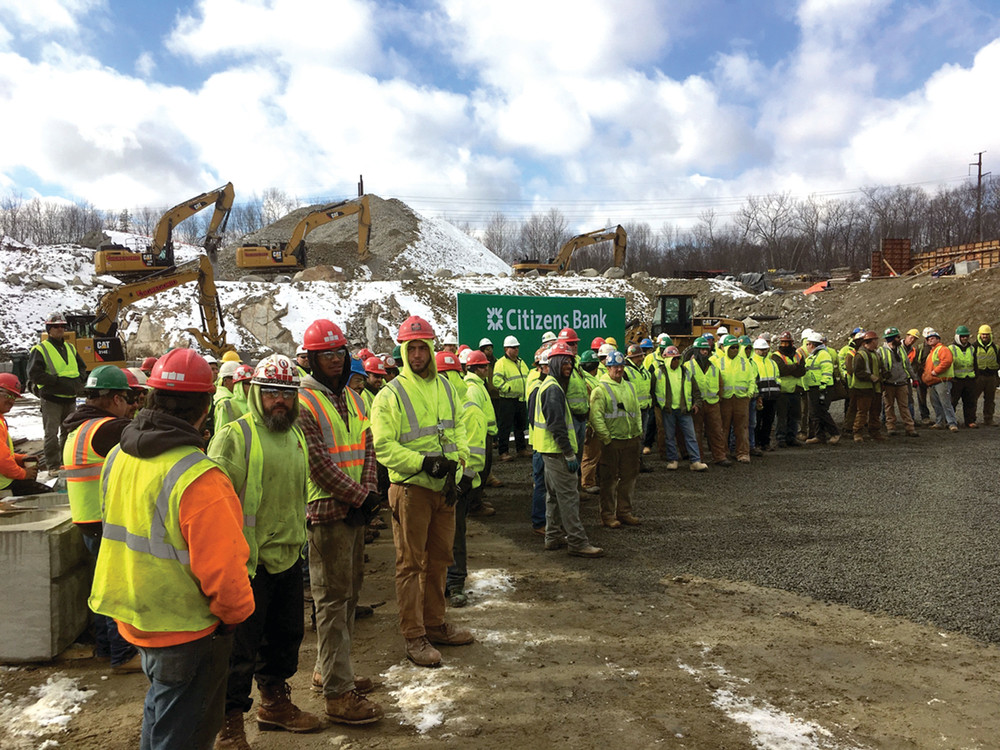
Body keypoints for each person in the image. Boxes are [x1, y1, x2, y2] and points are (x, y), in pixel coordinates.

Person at [88, 349, 255, 750]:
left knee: (162, 711)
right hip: (185, 626)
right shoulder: (199, 476)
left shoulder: (118, 455)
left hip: (134, 613)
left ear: (149, 398)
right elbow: (225, 570)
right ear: (205, 408)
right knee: (185, 730)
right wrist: (235, 617)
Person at [207, 355, 321, 744]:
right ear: (255, 393)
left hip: (287, 557)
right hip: (246, 564)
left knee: (284, 638)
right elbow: (213, 505)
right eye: (271, 392)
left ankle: (274, 704)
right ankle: (229, 724)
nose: (280, 400)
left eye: (287, 393)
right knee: (238, 651)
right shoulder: (235, 436)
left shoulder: (295, 435)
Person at [370, 316, 473, 668]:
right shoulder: (391, 394)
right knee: (411, 564)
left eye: (422, 348)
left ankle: (434, 623)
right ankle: (414, 634)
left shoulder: (446, 387)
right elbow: (384, 447)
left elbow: (458, 429)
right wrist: (422, 463)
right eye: (411, 348)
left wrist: (458, 466)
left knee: (440, 558)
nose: (417, 355)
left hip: (444, 488)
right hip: (411, 489)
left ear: (431, 349)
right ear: (403, 351)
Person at [296, 319, 384, 722]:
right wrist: (361, 497)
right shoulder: (304, 402)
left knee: (347, 597)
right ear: (311, 359)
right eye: (325, 354)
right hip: (327, 514)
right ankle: (337, 694)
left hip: (353, 511)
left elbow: (367, 448)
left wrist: (367, 492)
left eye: (339, 352)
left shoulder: (353, 398)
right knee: (330, 602)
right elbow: (317, 465)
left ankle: (331, 670)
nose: (334, 359)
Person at [63, 366, 140, 673]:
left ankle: (106, 649)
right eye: (129, 399)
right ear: (116, 399)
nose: (131, 406)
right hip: (104, 519)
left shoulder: (78, 426)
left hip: (87, 517)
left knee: (103, 584)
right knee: (117, 587)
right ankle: (122, 654)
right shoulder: (108, 428)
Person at [530, 341, 604, 558]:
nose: (569, 366)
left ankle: (552, 536)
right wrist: (569, 453)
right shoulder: (553, 389)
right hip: (557, 452)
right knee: (569, 497)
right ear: (553, 363)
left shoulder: (550, 385)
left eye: (570, 362)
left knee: (553, 496)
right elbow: (556, 425)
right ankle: (577, 542)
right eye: (564, 362)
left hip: (549, 451)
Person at [27, 312, 87, 475]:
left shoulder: (70, 348)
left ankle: (66, 463)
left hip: (70, 398)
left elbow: (82, 367)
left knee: (69, 434)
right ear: (49, 329)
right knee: (51, 434)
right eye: (56, 326)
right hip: (52, 399)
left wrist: (78, 381)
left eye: (62, 326)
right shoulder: (41, 349)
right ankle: (53, 466)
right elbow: (34, 374)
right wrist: (56, 382)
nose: (60, 329)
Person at [588, 351, 642, 528]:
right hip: (612, 441)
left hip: (631, 439)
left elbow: (637, 411)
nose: (619, 370)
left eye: (621, 366)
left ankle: (624, 512)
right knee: (609, 480)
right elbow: (596, 417)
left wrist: (638, 431)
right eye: (615, 366)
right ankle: (608, 515)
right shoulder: (600, 390)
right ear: (608, 367)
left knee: (629, 477)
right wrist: (606, 438)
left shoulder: (630, 387)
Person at [652, 346, 708, 472]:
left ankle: (695, 461)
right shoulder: (658, 372)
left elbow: (695, 390)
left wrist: (697, 404)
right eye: (673, 359)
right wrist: (658, 406)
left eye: (677, 358)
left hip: (684, 410)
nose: (676, 361)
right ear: (667, 360)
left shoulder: (685, 372)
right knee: (669, 436)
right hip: (668, 411)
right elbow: (652, 391)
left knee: (691, 436)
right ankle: (673, 460)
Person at [0, 374, 52, 497]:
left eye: (14, 397)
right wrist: (24, 474)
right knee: (47, 496)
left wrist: (20, 458)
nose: (11, 401)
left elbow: (3, 453)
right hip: (3, 485)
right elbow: (2, 460)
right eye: (8, 395)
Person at [686, 337, 729, 466]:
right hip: (696, 405)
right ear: (696, 351)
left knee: (716, 431)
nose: (705, 352)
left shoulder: (714, 367)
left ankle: (720, 457)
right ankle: (698, 458)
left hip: (712, 404)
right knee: (696, 432)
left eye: (706, 349)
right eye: (702, 349)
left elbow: (720, 384)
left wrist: (719, 398)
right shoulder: (687, 366)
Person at [716, 335, 756, 463]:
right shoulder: (718, 362)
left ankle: (743, 453)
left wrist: (749, 394)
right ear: (725, 348)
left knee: (742, 428)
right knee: (723, 428)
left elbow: (751, 379)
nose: (734, 350)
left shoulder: (745, 362)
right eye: (732, 347)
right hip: (725, 399)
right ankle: (722, 453)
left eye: (736, 347)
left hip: (741, 398)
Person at [493, 335, 530, 461]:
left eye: (517, 347)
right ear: (506, 349)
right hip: (507, 400)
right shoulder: (501, 363)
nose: (516, 349)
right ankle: (503, 452)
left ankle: (521, 449)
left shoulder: (521, 362)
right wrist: (508, 388)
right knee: (505, 427)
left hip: (520, 399)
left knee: (520, 426)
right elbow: (496, 381)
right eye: (513, 347)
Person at [878, 328, 918, 437]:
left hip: (902, 383)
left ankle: (910, 428)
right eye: (897, 337)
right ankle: (891, 427)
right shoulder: (881, 351)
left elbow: (907, 365)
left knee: (904, 407)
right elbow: (879, 368)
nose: (900, 339)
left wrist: (914, 378)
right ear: (892, 338)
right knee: (889, 407)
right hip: (888, 384)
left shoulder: (901, 350)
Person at [803, 332, 841, 444]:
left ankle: (835, 433)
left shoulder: (823, 355)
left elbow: (827, 370)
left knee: (821, 411)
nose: (806, 346)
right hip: (813, 388)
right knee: (814, 413)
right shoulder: (813, 356)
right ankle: (819, 436)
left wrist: (823, 385)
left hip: (822, 387)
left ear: (812, 344)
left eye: (808, 344)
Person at [771, 331, 805, 447]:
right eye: (783, 343)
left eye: (787, 343)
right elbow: (781, 370)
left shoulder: (798, 355)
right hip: (782, 391)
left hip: (795, 390)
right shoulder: (776, 356)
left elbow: (802, 371)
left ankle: (792, 437)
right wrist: (795, 367)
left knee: (794, 416)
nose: (784, 345)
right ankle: (781, 438)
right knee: (782, 416)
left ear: (791, 343)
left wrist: (790, 369)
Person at [849, 331, 884, 442]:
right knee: (862, 412)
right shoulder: (860, 355)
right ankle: (857, 432)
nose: (877, 342)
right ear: (870, 341)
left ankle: (874, 431)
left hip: (875, 388)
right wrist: (870, 377)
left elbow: (880, 368)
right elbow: (858, 372)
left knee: (875, 411)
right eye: (875, 340)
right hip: (863, 389)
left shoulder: (876, 354)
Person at [923, 330, 958, 431]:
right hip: (933, 382)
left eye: (932, 338)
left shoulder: (942, 349)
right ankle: (940, 422)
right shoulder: (932, 352)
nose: (930, 340)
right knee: (936, 404)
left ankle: (952, 423)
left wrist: (935, 372)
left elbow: (947, 361)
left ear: (938, 339)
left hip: (942, 381)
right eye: (928, 339)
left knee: (946, 403)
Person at [751, 338, 780, 451]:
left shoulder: (772, 363)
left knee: (768, 421)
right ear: (755, 350)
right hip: (759, 397)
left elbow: (777, 377)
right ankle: (756, 443)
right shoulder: (752, 362)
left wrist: (777, 389)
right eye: (761, 350)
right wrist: (757, 394)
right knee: (757, 421)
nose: (764, 352)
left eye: (765, 349)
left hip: (771, 397)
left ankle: (765, 442)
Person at [950, 325, 978, 428]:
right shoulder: (951, 348)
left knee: (970, 402)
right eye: (962, 336)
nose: (965, 338)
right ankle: (951, 421)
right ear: (958, 337)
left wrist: (976, 376)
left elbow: (975, 363)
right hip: (956, 380)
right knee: (953, 402)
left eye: (966, 336)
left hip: (969, 379)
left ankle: (970, 421)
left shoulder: (972, 348)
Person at [973, 324, 999, 426]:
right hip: (978, 376)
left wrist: (997, 377)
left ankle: (988, 419)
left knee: (990, 399)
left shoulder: (996, 348)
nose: (985, 336)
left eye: (987, 334)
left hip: (992, 377)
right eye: (983, 334)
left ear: (990, 335)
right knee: (973, 398)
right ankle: (971, 419)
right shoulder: (974, 347)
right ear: (979, 335)